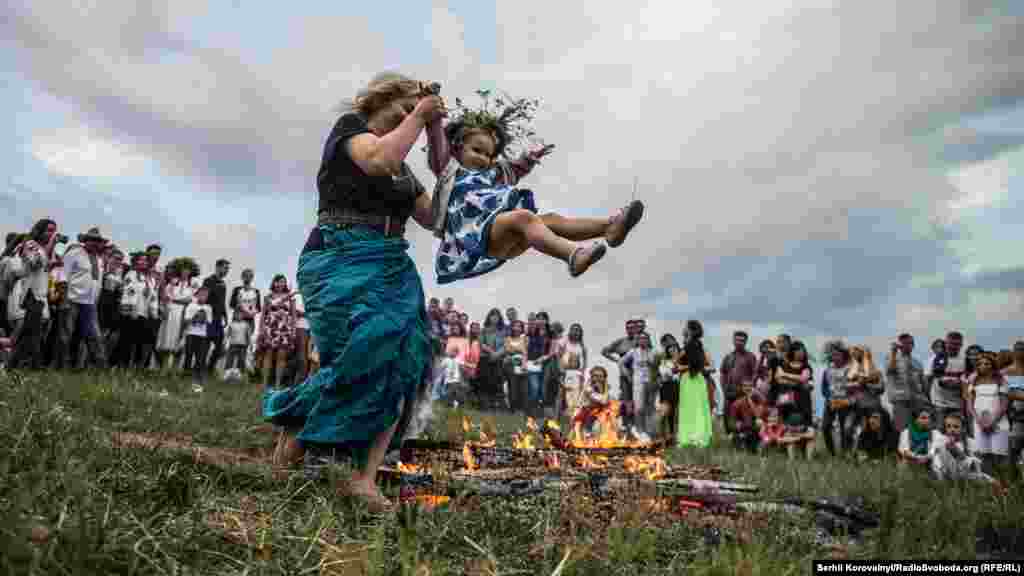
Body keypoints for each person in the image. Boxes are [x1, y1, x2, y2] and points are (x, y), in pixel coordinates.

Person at [263, 72, 441, 512]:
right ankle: (295, 448)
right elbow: (377, 160)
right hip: (339, 254)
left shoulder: (406, 171)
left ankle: (364, 478)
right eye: (404, 112)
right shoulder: (351, 131)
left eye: (414, 116)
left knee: (405, 356)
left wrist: (477, 175)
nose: (410, 123)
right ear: (380, 101)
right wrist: (421, 113)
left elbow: (435, 218)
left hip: (390, 262)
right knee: (357, 355)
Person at [426, 89, 644, 283]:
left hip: (503, 234)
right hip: (476, 237)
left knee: (551, 220)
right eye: (477, 150)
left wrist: (530, 158)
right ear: (456, 147)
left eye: (488, 154)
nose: (484, 158)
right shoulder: (449, 170)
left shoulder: (492, 175)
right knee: (524, 217)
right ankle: (573, 255)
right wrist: (433, 114)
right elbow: (437, 142)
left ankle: (610, 227)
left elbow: (515, 170)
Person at [9, 219, 59, 371]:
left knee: (31, 334)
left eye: (54, 231)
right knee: (31, 334)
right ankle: (27, 366)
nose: (52, 234)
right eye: (49, 230)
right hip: (31, 294)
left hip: (40, 294)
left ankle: (15, 365)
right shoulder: (30, 244)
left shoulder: (44, 249)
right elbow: (34, 263)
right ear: (40, 230)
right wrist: (50, 245)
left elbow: (42, 269)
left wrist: (52, 264)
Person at [967, 352, 1010, 472]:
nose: (983, 366)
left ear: (992, 365)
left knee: (999, 454)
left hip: (998, 421)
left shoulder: (1001, 380)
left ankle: (1003, 483)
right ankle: (989, 481)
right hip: (979, 422)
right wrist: (978, 421)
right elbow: (970, 404)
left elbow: (1004, 404)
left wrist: (993, 422)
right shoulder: (974, 380)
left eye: (987, 363)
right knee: (983, 454)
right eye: (980, 364)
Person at [677, 320, 713, 448]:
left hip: (690, 379)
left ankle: (690, 437)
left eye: (685, 327)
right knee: (698, 407)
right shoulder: (699, 345)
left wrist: (681, 367)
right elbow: (705, 363)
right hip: (699, 379)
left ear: (690, 331)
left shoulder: (689, 346)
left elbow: (680, 364)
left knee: (689, 408)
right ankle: (699, 436)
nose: (683, 329)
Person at [258, 275, 297, 390]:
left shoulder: (290, 298)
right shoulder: (268, 297)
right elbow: (263, 314)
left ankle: (277, 384)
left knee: (281, 356)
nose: (281, 284)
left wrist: (293, 331)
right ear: (274, 283)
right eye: (279, 282)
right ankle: (264, 384)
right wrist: (261, 329)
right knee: (268, 355)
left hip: (284, 329)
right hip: (271, 327)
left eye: (283, 282)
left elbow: (293, 316)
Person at [720, 331, 757, 434]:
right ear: (733, 340)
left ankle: (744, 438)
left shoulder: (750, 356)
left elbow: (755, 374)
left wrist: (748, 389)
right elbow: (723, 373)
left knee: (744, 417)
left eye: (742, 340)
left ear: (746, 342)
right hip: (729, 392)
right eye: (737, 340)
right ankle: (730, 436)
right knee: (727, 415)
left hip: (743, 392)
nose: (739, 342)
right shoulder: (728, 357)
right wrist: (723, 388)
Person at [622, 331, 656, 441]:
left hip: (649, 382)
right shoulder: (633, 351)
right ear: (638, 340)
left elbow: (656, 367)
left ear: (648, 340)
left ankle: (647, 431)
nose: (643, 340)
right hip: (638, 382)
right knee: (639, 407)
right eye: (641, 338)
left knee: (649, 408)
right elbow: (621, 363)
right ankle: (639, 430)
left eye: (645, 338)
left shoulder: (652, 352)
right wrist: (627, 375)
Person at [182, 286, 212, 391]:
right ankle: (185, 376)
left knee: (200, 358)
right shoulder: (191, 306)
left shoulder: (208, 308)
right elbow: (185, 321)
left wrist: (203, 318)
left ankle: (197, 379)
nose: (203, 296)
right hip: (191, 334)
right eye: (202, 294)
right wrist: (195, 317)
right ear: (197, 294)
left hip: (202, 336)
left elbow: (209, 323)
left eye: (206, 295)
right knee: (188, 355)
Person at [1002, 341, 1024, 465]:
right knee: (1013, 450)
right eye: (1019, 350)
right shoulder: (1005, 373)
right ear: (1014, 352)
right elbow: (1004, 393)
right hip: (1013, 417)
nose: (1021, 352)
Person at [224, 309, 252, 378]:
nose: (239, 316)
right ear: (234, 315)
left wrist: (250, 344)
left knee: (242, 358)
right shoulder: (231, 324)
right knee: (230, 358)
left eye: (241, 314)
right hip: (233, 344)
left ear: (243, 316)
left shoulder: (246, 324)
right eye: (237, 314)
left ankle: (238, 372)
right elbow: (228, 334)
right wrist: (225, 342)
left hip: (243, 345)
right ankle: (227, 371)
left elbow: (248, 335)